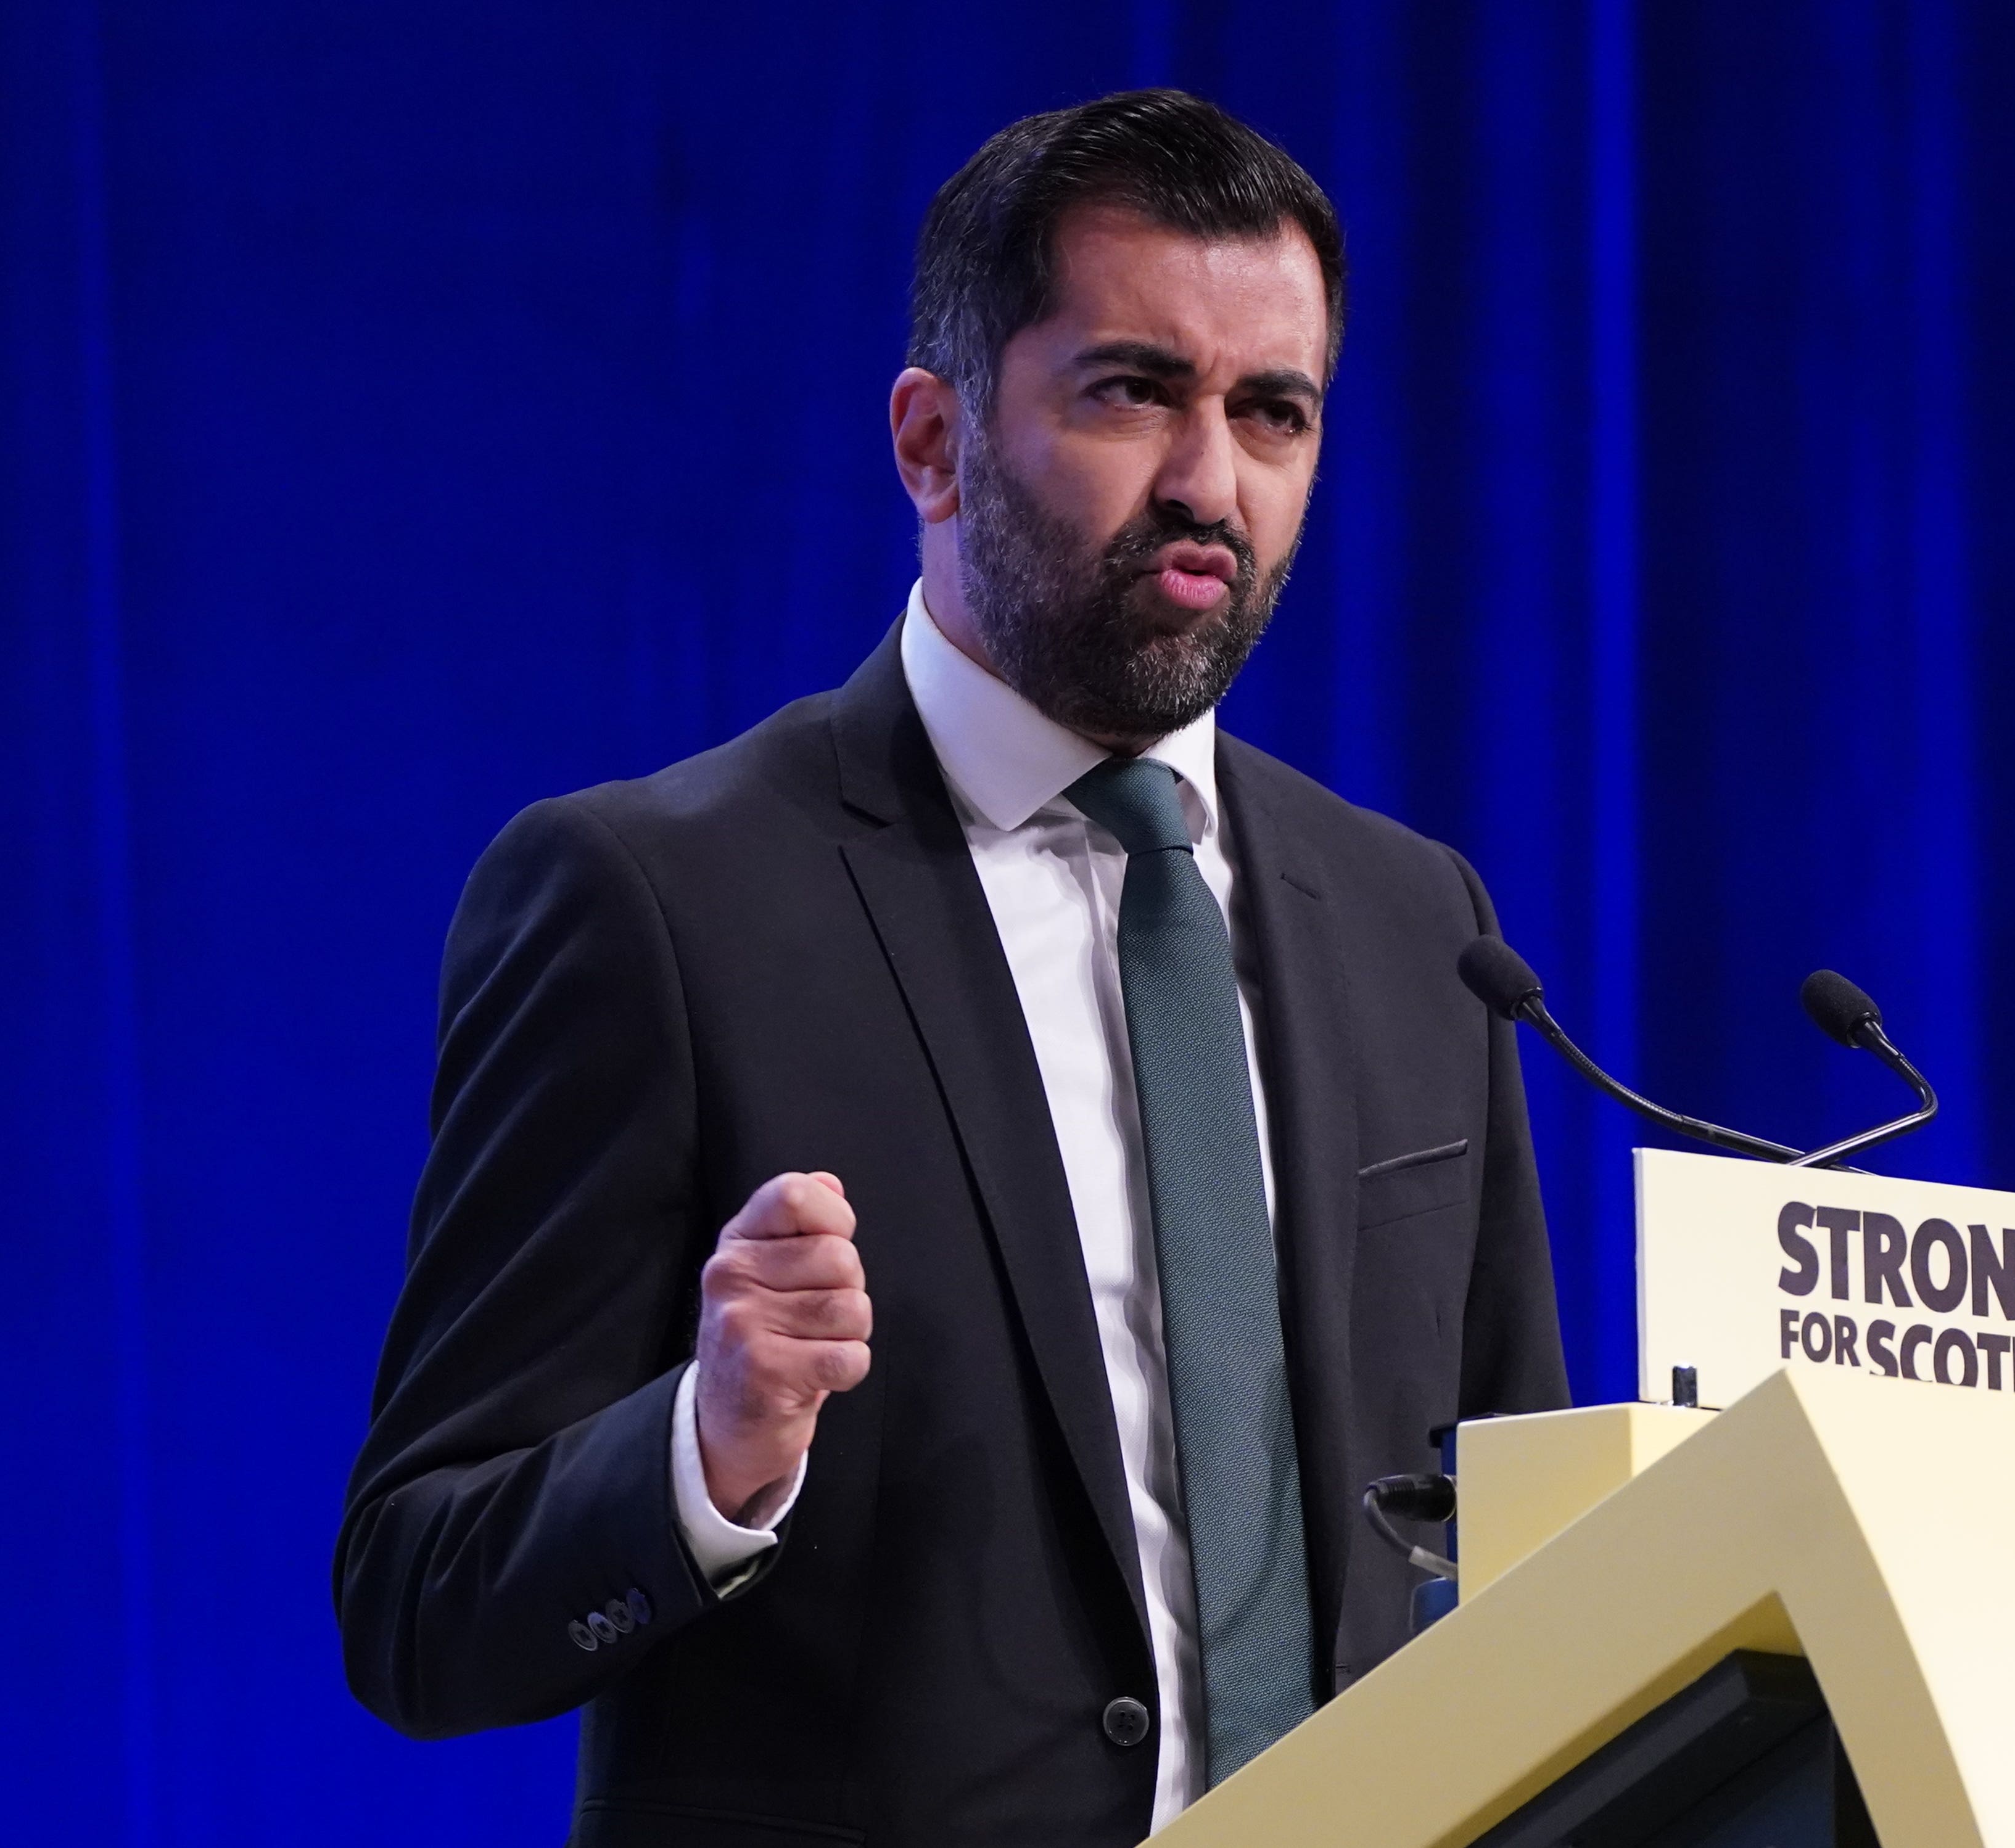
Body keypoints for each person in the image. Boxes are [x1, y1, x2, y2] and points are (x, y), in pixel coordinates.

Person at [336, 89, 1567, 1847]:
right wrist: (709, 1453)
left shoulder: (1413, 921)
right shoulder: (657, 901)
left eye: (1272, 412)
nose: (1209, 481)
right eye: (1131, 390)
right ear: (933, 441)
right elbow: (416, 1602)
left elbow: (1513, 1549)